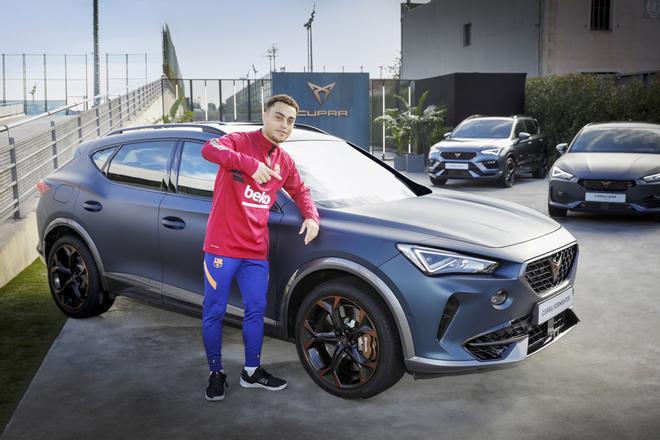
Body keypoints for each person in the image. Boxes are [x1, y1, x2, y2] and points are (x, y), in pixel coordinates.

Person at [199, 94, 320, 401]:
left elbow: (300, 189)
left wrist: (312, 216)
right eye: (279, 117)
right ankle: (215, 372)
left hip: (255, 251)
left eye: (290, 120)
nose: (285, 125)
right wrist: (248, 164)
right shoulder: (240, 141)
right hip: (222, 248)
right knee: (214, 311)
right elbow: (209, 149)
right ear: (265, 115)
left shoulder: (284, 160)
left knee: (256, 311)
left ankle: (251, 372)